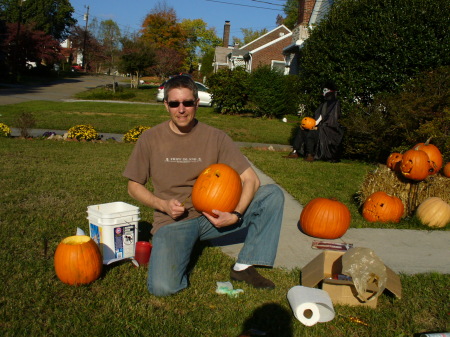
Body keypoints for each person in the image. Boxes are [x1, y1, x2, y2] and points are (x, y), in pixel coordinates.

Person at [123, 75, 284, 297]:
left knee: (272, 195)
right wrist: (162, 204)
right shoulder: (150, 139)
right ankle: (184, 244)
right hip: (173, 221)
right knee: (163, 288)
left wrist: (235, 215)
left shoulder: (216, 137)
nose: (181, 109)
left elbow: (251, 179)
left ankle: (244, 266)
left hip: (214, 214)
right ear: (166, 105)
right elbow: (133, 185)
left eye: (187, 103)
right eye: (174, 103)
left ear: (197, 103)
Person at [284, 83, 344, 162]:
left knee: (311, 133)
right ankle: (295, 152)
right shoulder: (324, 104)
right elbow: (317, 116)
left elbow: (331, 119)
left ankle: (310, 155)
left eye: (325, 90)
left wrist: (317, 125)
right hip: (319, 126)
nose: (323, 93)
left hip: (327, 130)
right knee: (301, 130)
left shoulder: (335, 103)